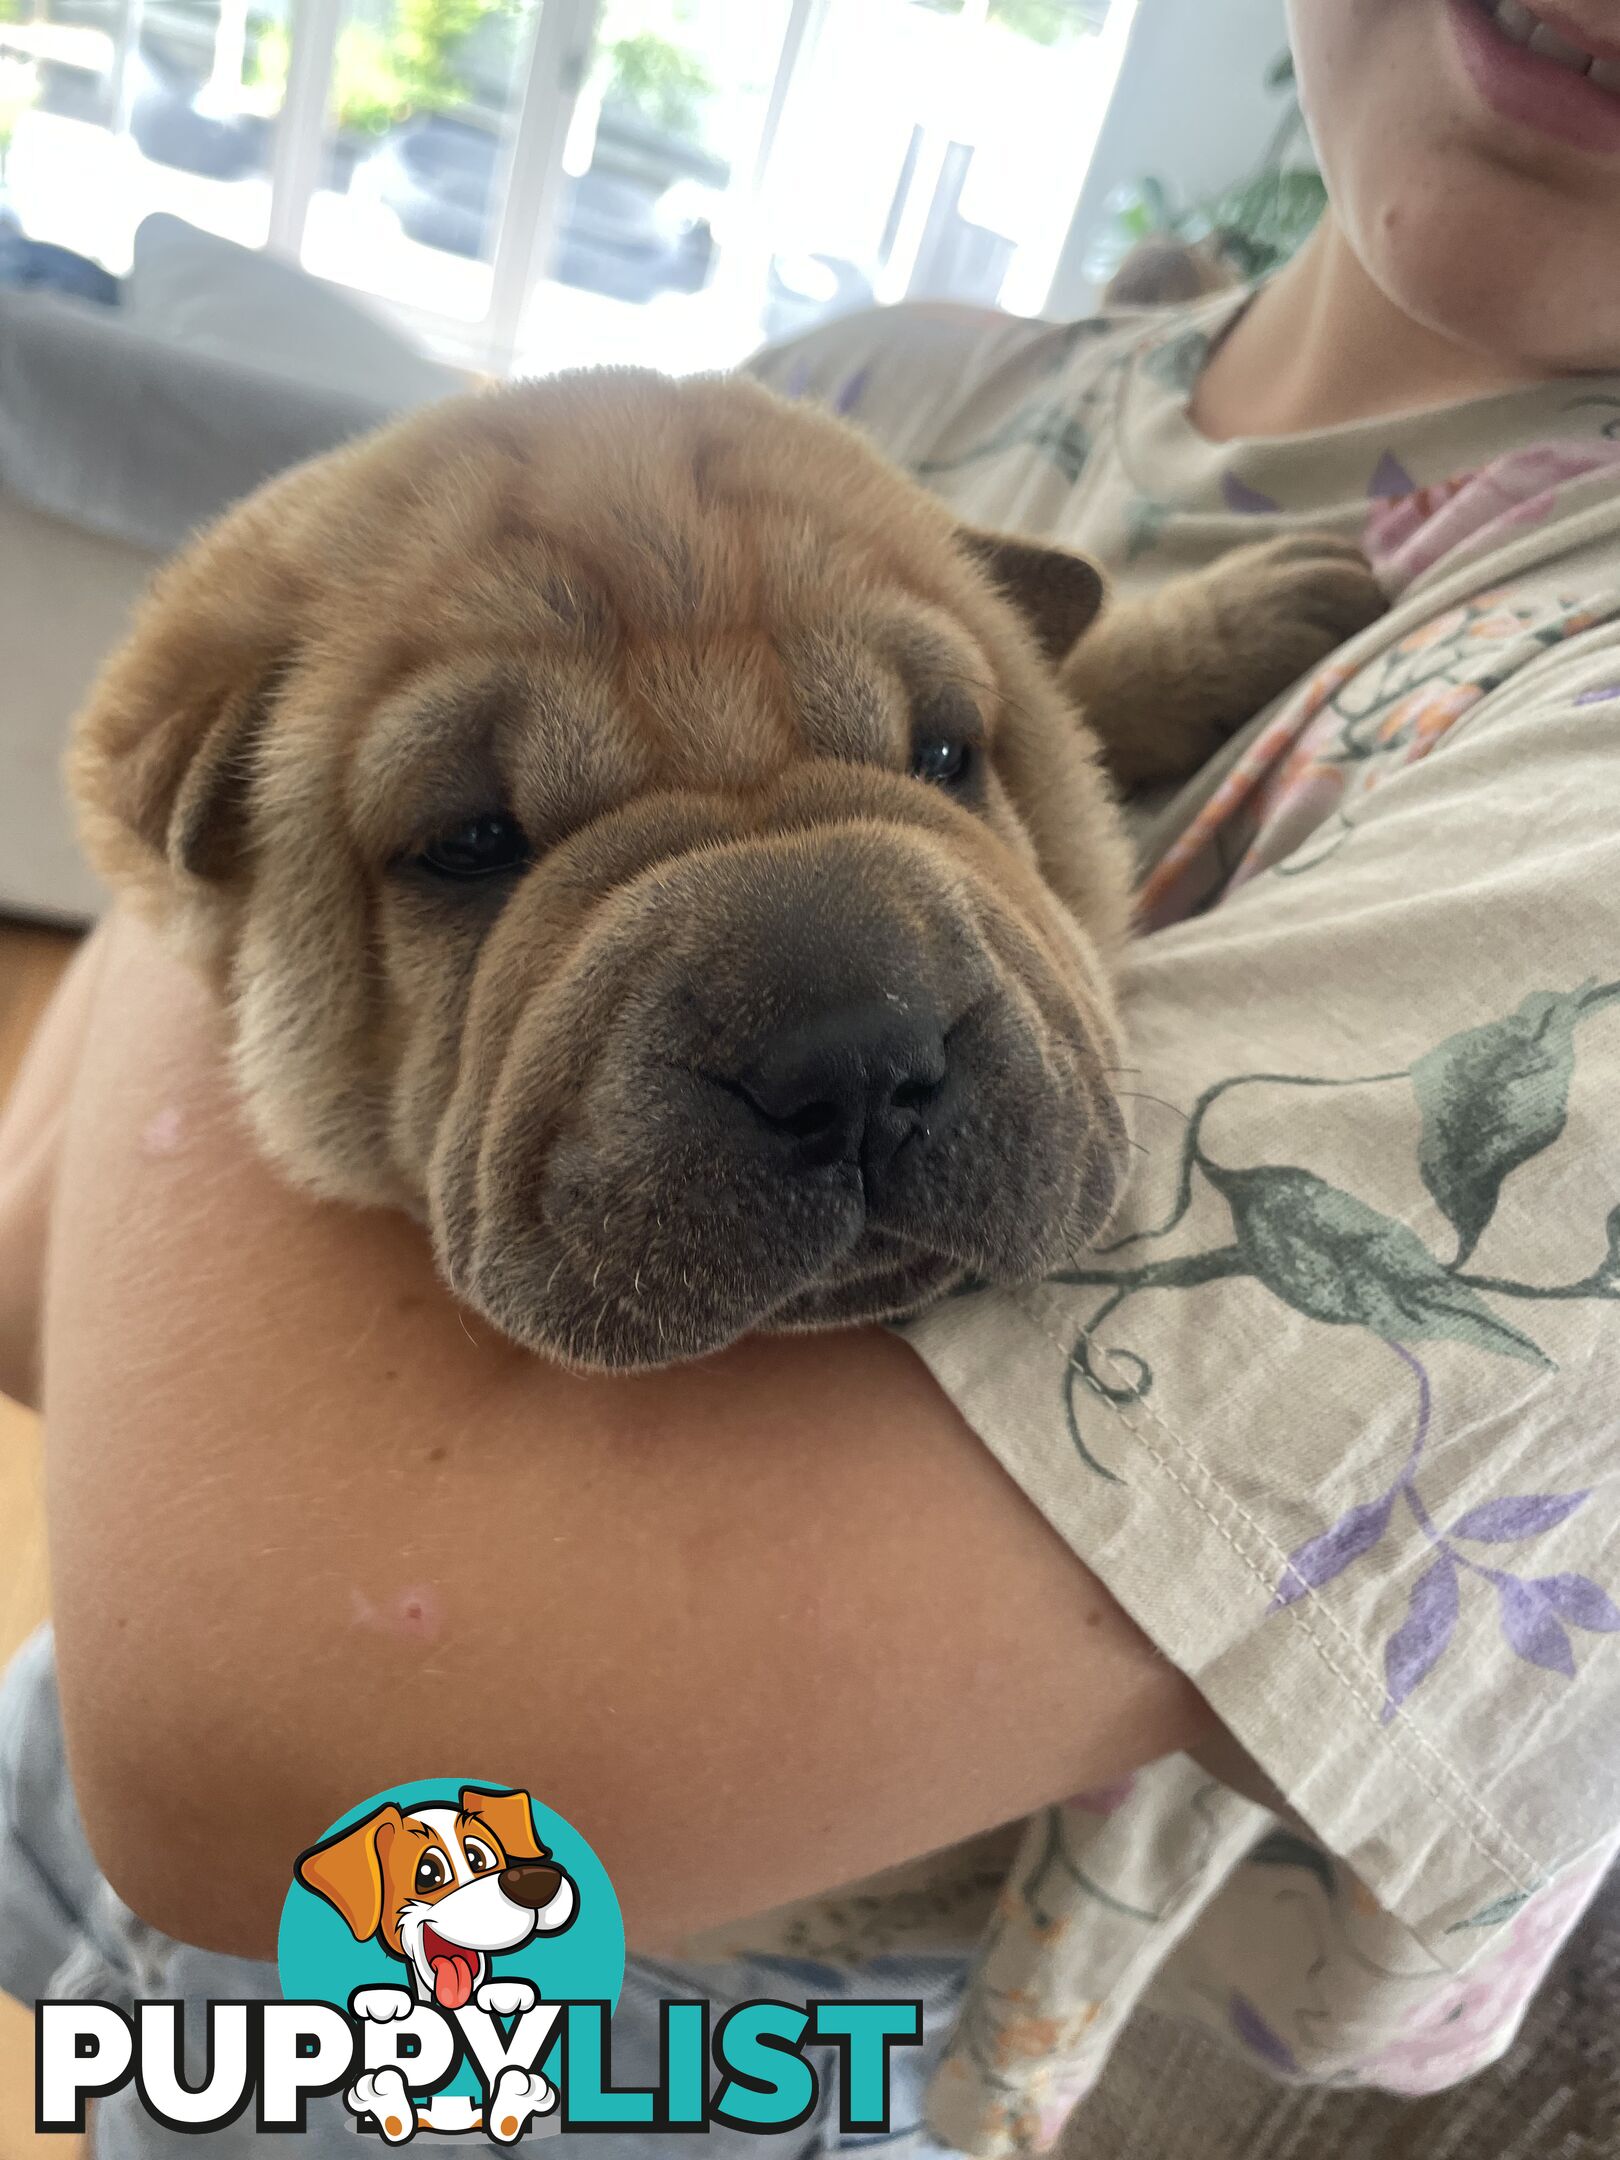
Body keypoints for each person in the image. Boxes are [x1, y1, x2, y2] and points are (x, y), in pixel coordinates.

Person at [5, 0, 1620, 2150]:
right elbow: (32, 1264)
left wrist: (248, 948)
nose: (841, 1045)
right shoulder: (906, 390)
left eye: (939, 750)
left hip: (651, 2060)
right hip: (73, 1780)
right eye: (488, 839)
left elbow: (300, 1767)